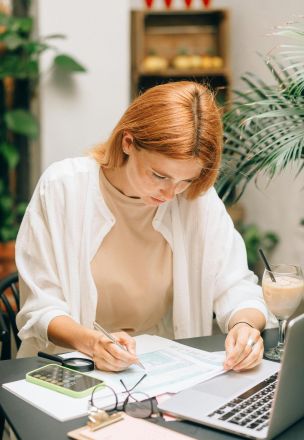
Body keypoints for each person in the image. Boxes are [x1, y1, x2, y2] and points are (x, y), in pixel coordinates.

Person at [16, 81, 270, 373]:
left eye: (185, 179)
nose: (170, 193)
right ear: (128, 142)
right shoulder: (63, 187)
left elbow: (235, 283)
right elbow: (40, 308)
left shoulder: (194, 199)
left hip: (157, 368)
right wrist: (93, 344)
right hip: (70, 364)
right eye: (159, 175)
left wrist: (245, 326)